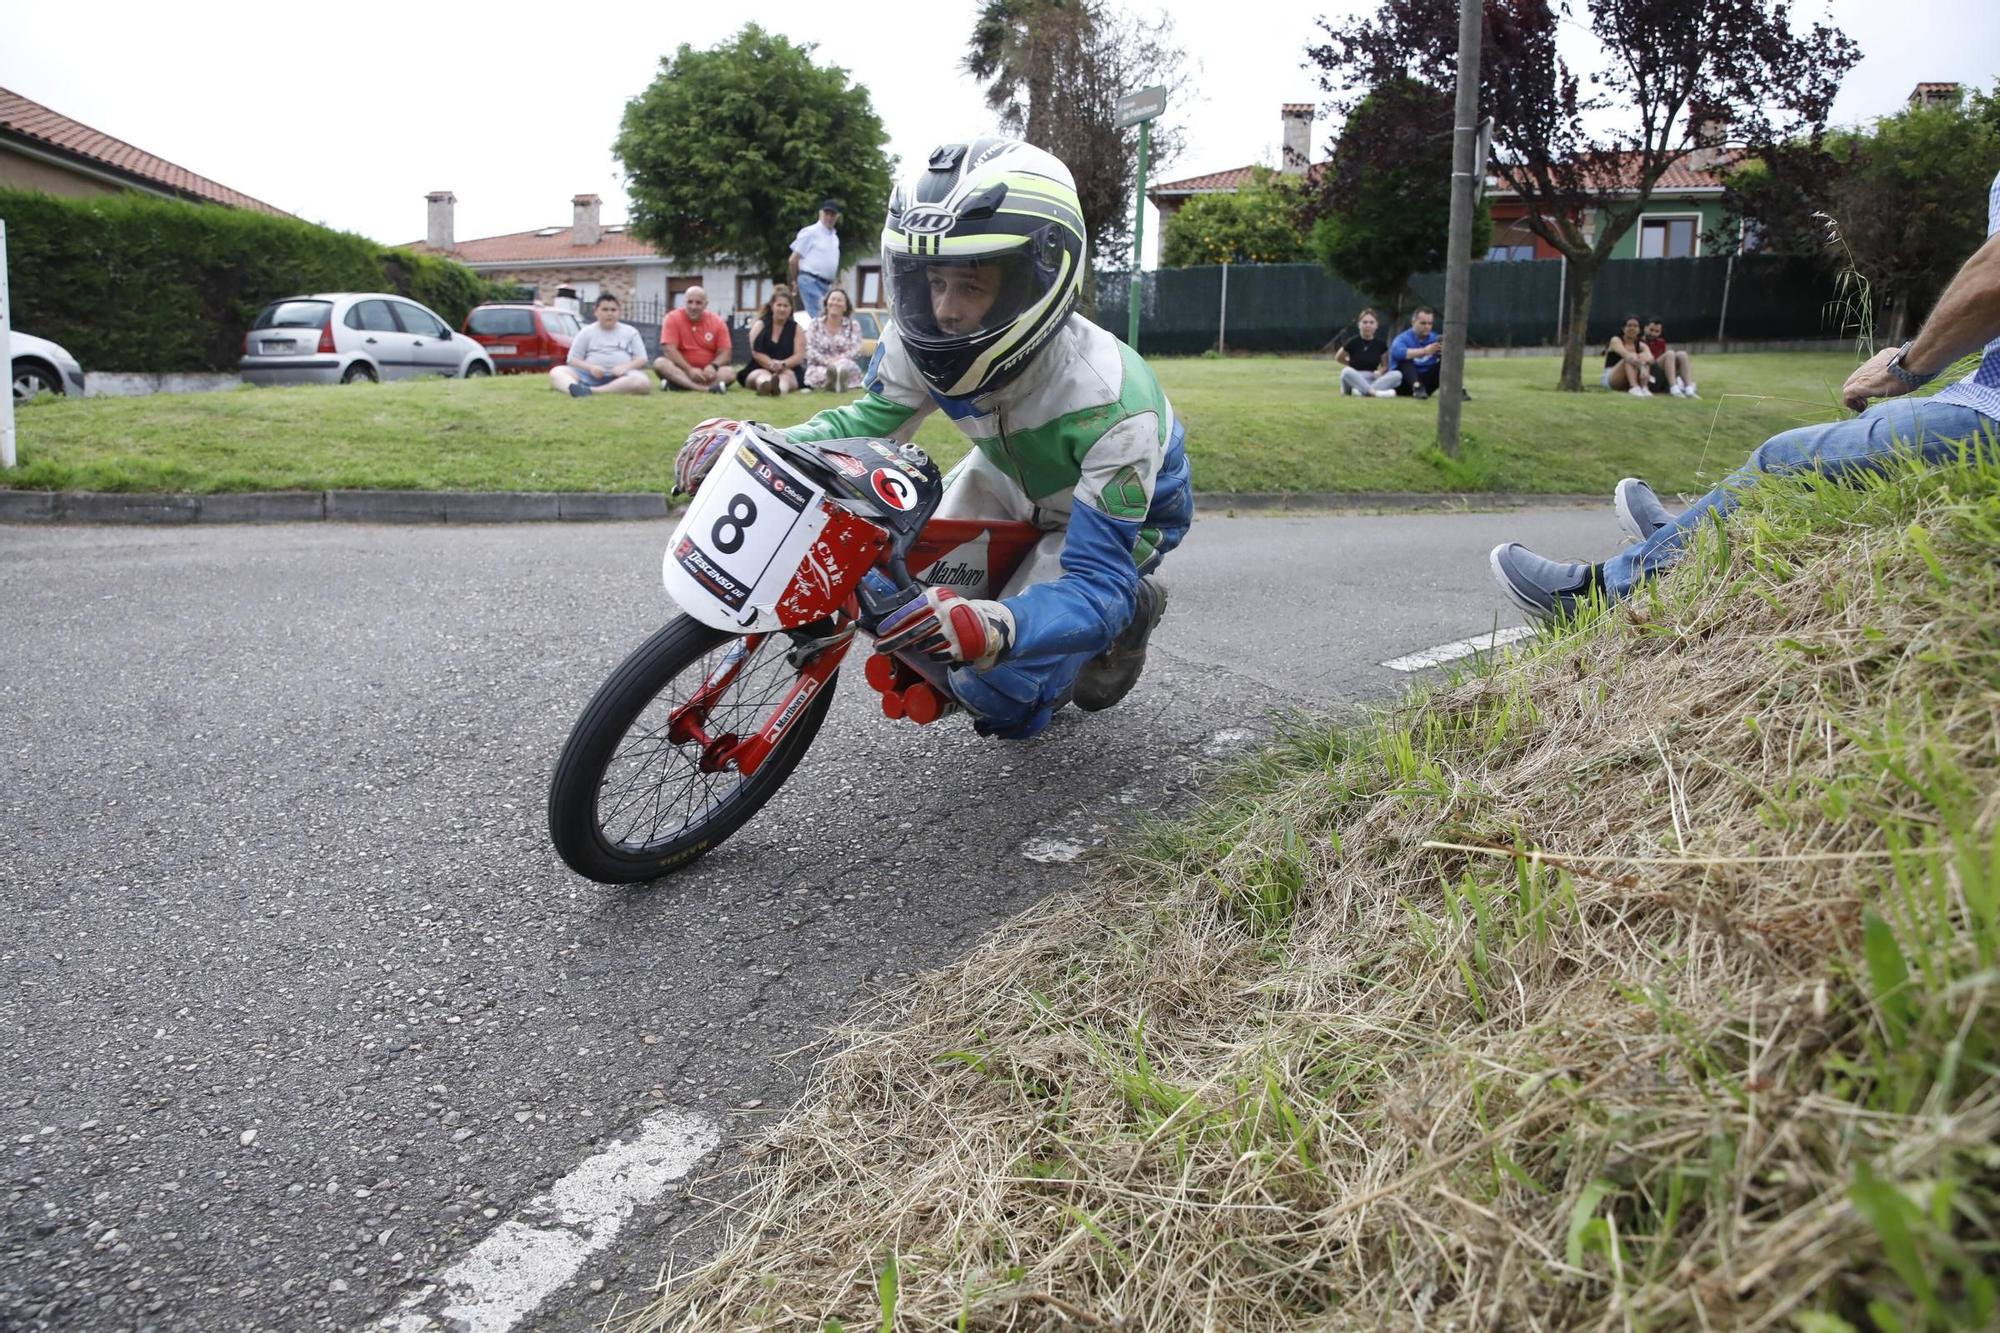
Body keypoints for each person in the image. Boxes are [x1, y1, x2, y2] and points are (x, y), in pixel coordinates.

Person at [676, 137, 1194, 740]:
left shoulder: (1113, 404)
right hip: (1004, 474)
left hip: (1117, 518)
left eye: (972, 285)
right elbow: (866, 422)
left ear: (1037, 277)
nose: (945, 310)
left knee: (996, 692)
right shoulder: (918, 336)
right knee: (897, 586)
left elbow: (1093, 577)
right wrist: (758, 443)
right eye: (933, 281)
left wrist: (996, 626)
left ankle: (1135, 611)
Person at [1490, 166, 2000, 624]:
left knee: (1782, 458)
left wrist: (1908, 367)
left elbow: (1992, 280)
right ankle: (1684, 539)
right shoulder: (1622, 336)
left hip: (1990, 411)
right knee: (1821, 452)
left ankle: (1600, 594)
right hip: (1978, 394)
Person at [550, 294, 651, 397]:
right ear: (596, 311)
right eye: (605, 310)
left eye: (613, 310)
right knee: (557, 372)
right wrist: (591, 368)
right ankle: (574, 389)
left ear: (619, 312)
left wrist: (625, 367)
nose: (609, 313)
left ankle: (592, 391)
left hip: (622, 377)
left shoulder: (631, 332)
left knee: (642, 382)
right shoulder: (585, 332)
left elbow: (642, 359)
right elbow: (572, 359)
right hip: (588, 375)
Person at [654, 286, 733, 394]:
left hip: (707, 373)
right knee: (660, 363)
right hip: (681, 370)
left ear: (706, 304)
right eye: (689, 302)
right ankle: (706, 389)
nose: (693, 307)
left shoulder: (718, 322)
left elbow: (726, 353)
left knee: (730, 373)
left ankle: (679, 385)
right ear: (684, 302)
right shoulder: (672, 318)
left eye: (698, 303)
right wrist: (689, 370)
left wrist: (713, 366)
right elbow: (669, 350)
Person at [738, 289, 805, 396]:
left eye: (785, 306)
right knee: (761, 375)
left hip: (787, 368)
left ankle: (778, 389)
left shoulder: (797, 329)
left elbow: (799, 355)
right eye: (779, 305)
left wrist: (782, 364)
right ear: (772, 306)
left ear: (791, 308)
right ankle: (764, 386)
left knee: (786, 377)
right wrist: (771, 364)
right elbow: (755, 352)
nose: (782, 309)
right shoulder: (760, 325)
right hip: (760, 366)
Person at [788, 199, 843, 319]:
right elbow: (793, 259)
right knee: (821, 316)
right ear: (820, 213)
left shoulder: (834, 237)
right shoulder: (810, 232)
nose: (829, 217)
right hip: (810, 280)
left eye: (832, 214)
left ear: (837, 217)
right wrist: (795, 280)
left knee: (828, 316)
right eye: (826, 213)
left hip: (826, 284)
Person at [803, 286, 864, 393]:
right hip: (820, 366)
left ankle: (839, 380)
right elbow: (809, 348)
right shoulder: (815, 324)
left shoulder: (853, 325)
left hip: (845, 364)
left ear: (845, 307)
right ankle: (834, 382)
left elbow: (856, 349)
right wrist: (827, 362)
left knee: (844, 367)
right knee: (819, 373)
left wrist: (838, 361)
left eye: (839, 300)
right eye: (833, 299)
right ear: (826, 303)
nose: (835, 302)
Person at [1336, 308, 1401, 397]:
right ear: (1359, 324)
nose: (1368, 325)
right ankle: (1373, 393)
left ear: (1376, 325)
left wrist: (1380, 372)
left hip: (1371, 378)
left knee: (1397, 375)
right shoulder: (1352, 342)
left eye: (1371, 322)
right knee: (1346, 372)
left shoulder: (1381, 344)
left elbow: (1385, 366)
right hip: (1354, 377)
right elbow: (1338, 357)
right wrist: (1350, 364)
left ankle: (1363, 391)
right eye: (1365, 322)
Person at [1389, 307, 1443, 398]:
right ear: (1413, 322)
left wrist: (1446, 350)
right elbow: (1397, 353)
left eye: (1430, 323)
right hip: (1404, 384)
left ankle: (1458, 390)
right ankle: (1417, 387)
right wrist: (1425, 351)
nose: (1427, 326)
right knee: (1405, 360)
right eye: (1423, 323)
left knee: (1447, 361)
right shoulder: (1402, 339)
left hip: (1426, 385)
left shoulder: (1434, 339)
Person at [1641, 317, 1698, 398]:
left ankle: (1688, 387)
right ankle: (1673, 387)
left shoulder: (1661, 342)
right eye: (1651, 330)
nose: (1653, 334)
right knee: (1670, 353)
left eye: (1657, 331)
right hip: (1649, 372)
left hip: (1661, 372)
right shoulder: (1640, 341)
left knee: (1682, 354)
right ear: (1645, 328)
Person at [1602, 314, 1657, 397]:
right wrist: (1641, 366)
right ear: (1623, 329)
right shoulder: (1616, 340)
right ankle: (1634, 387)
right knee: (1630, 356)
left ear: (1639, 330)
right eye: (1629, 325)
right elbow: (1626, 355)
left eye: (1635, 326)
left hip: (1630, 376)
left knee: (1644, 358)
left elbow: (1651, 359)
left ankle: (1644, 388)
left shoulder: (1642, 345)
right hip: (1611, 378)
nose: (1632, 328)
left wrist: (1644, 360)